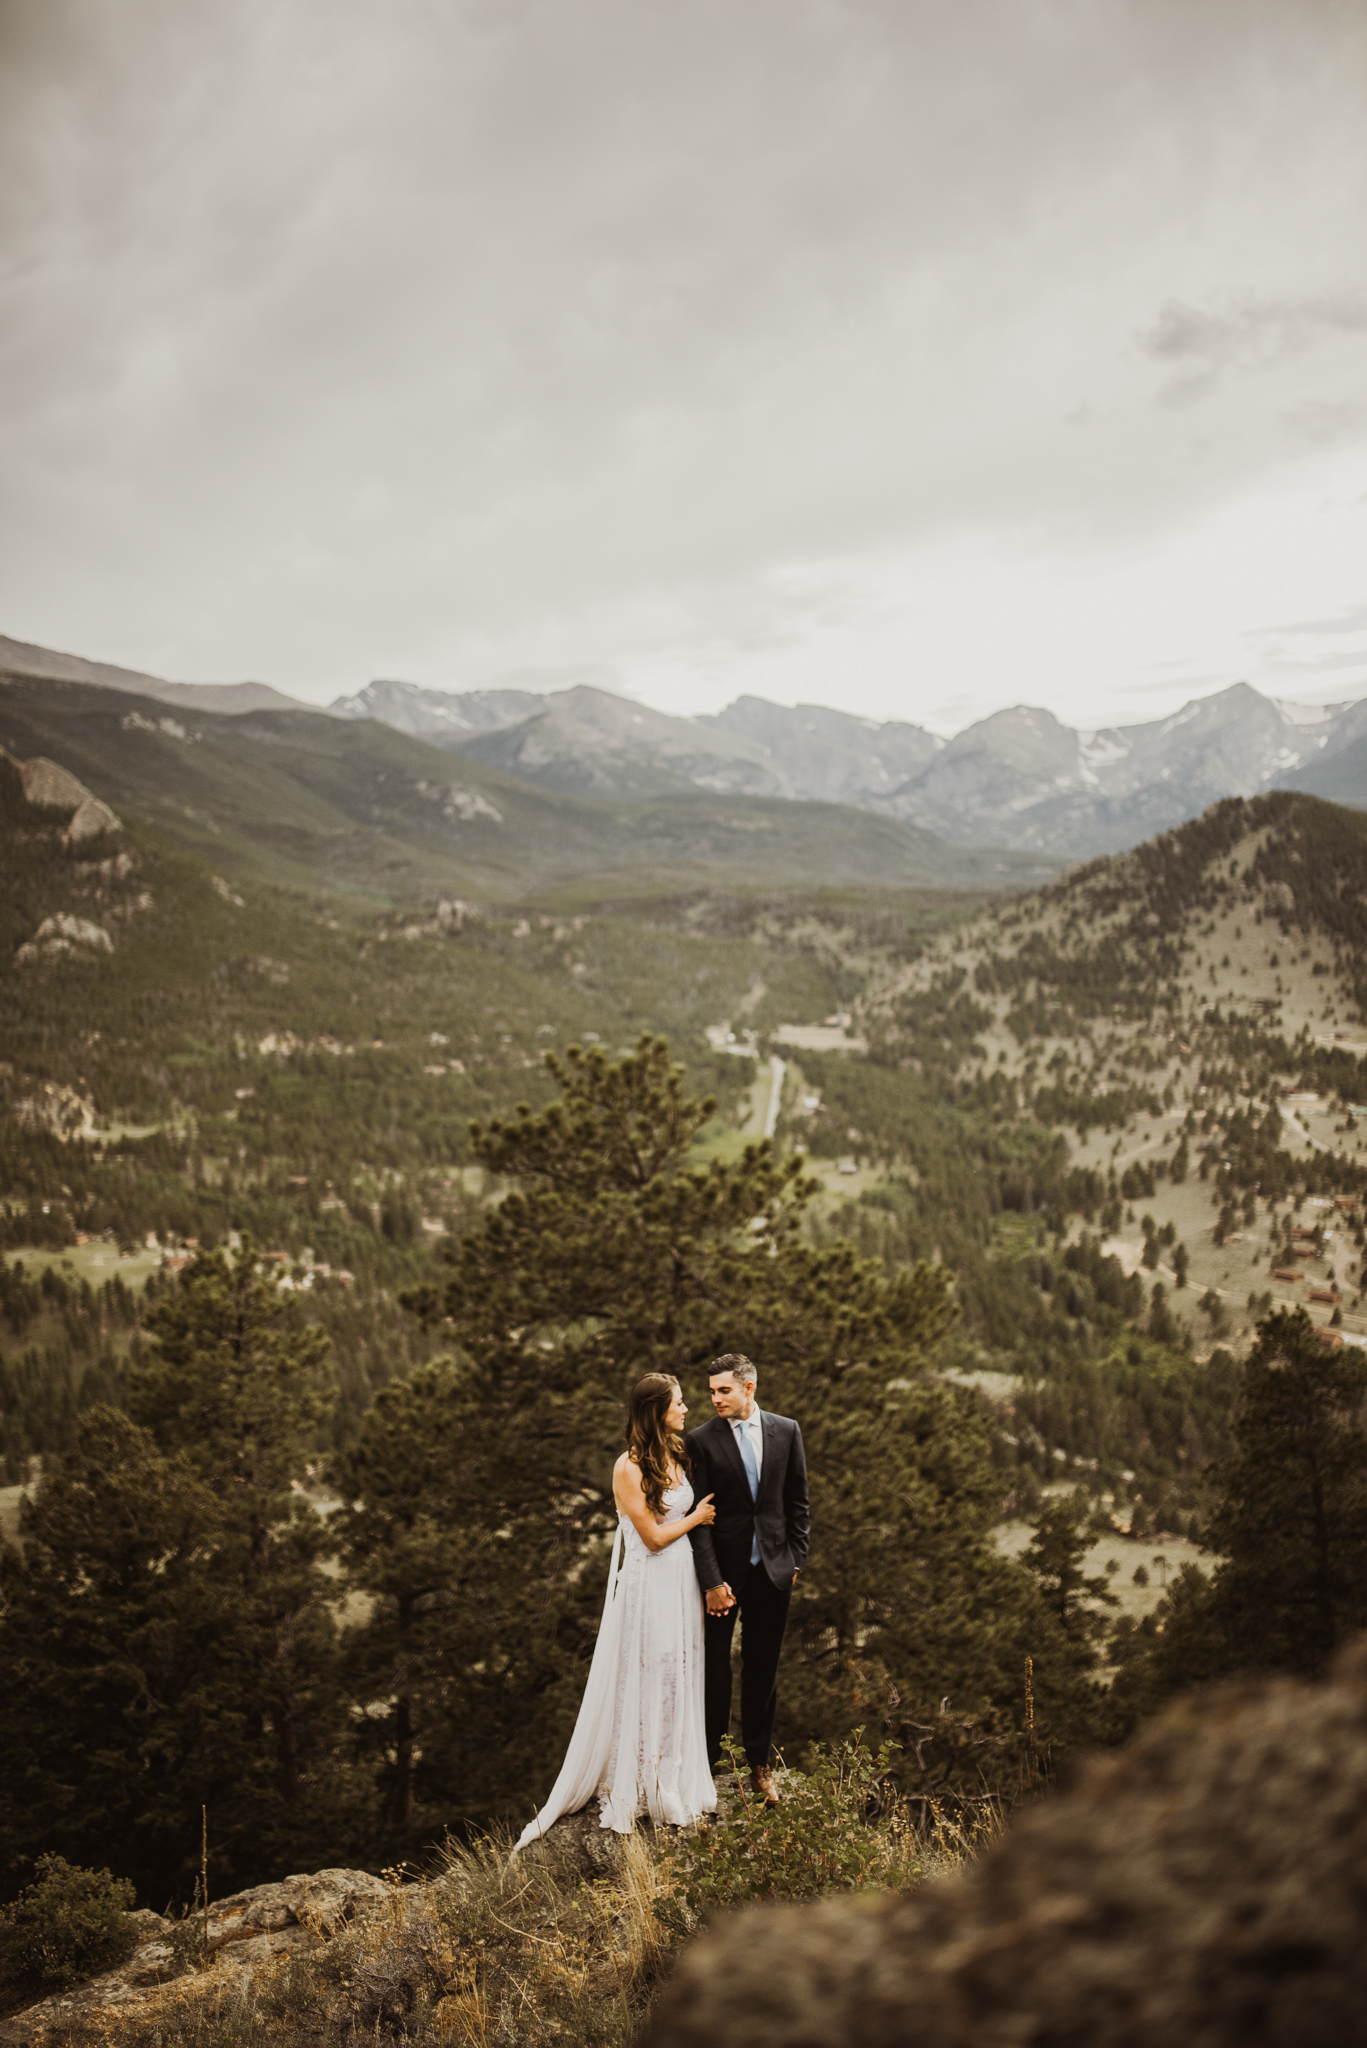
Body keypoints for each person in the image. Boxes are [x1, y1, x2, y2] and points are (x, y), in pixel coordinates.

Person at [514, 1373, 718, 1849]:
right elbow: (651, 1537)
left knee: (679, 1669)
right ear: (655, 1410)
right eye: (679, 1404)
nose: (687, 1410)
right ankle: (642, 1779)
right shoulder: (627, 1468)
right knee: (651, 1670)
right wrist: (696, 1517)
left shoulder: (676, 1454)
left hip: (682, 1579)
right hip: (650, 1583)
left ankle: (674, 1771)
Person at [686, 1353, 810, 1805]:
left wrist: (795, 1559)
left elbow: (797, 1501)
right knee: (714, 1669)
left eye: (724, 1390)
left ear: (748, 1388)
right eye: (712, 1391)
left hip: (773, 1573)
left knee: (763, 1669)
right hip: (722, 1578)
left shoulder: (786, 1430)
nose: (715, 1398)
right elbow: (697, 1518)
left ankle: (760, 1767)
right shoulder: (700, 1441)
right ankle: (710, 1766)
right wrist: (712, 1581)